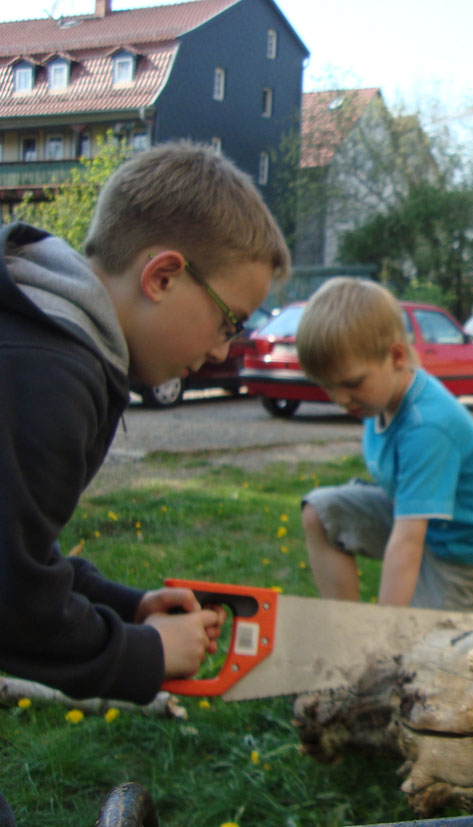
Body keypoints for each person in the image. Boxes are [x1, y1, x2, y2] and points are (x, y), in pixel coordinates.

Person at [0, 141, 290, 704]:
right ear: (161, 277)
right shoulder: (50, 373)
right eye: (229, 321)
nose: (220, 351)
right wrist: (144, 653)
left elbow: (18, 548)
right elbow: (12, 597)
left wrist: (123, 604)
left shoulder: (44, 334)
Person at [297, 278, 473, 611]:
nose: (340, 399)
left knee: (418, 654)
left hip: (465, 554)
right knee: (321, 513)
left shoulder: (425, 426)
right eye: (328, 387)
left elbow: (407, 542)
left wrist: (388, 631)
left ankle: (388, 645)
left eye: (351, 383)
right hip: (423, 524)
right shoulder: (378, 396)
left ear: (396, 356)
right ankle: (344, 627)